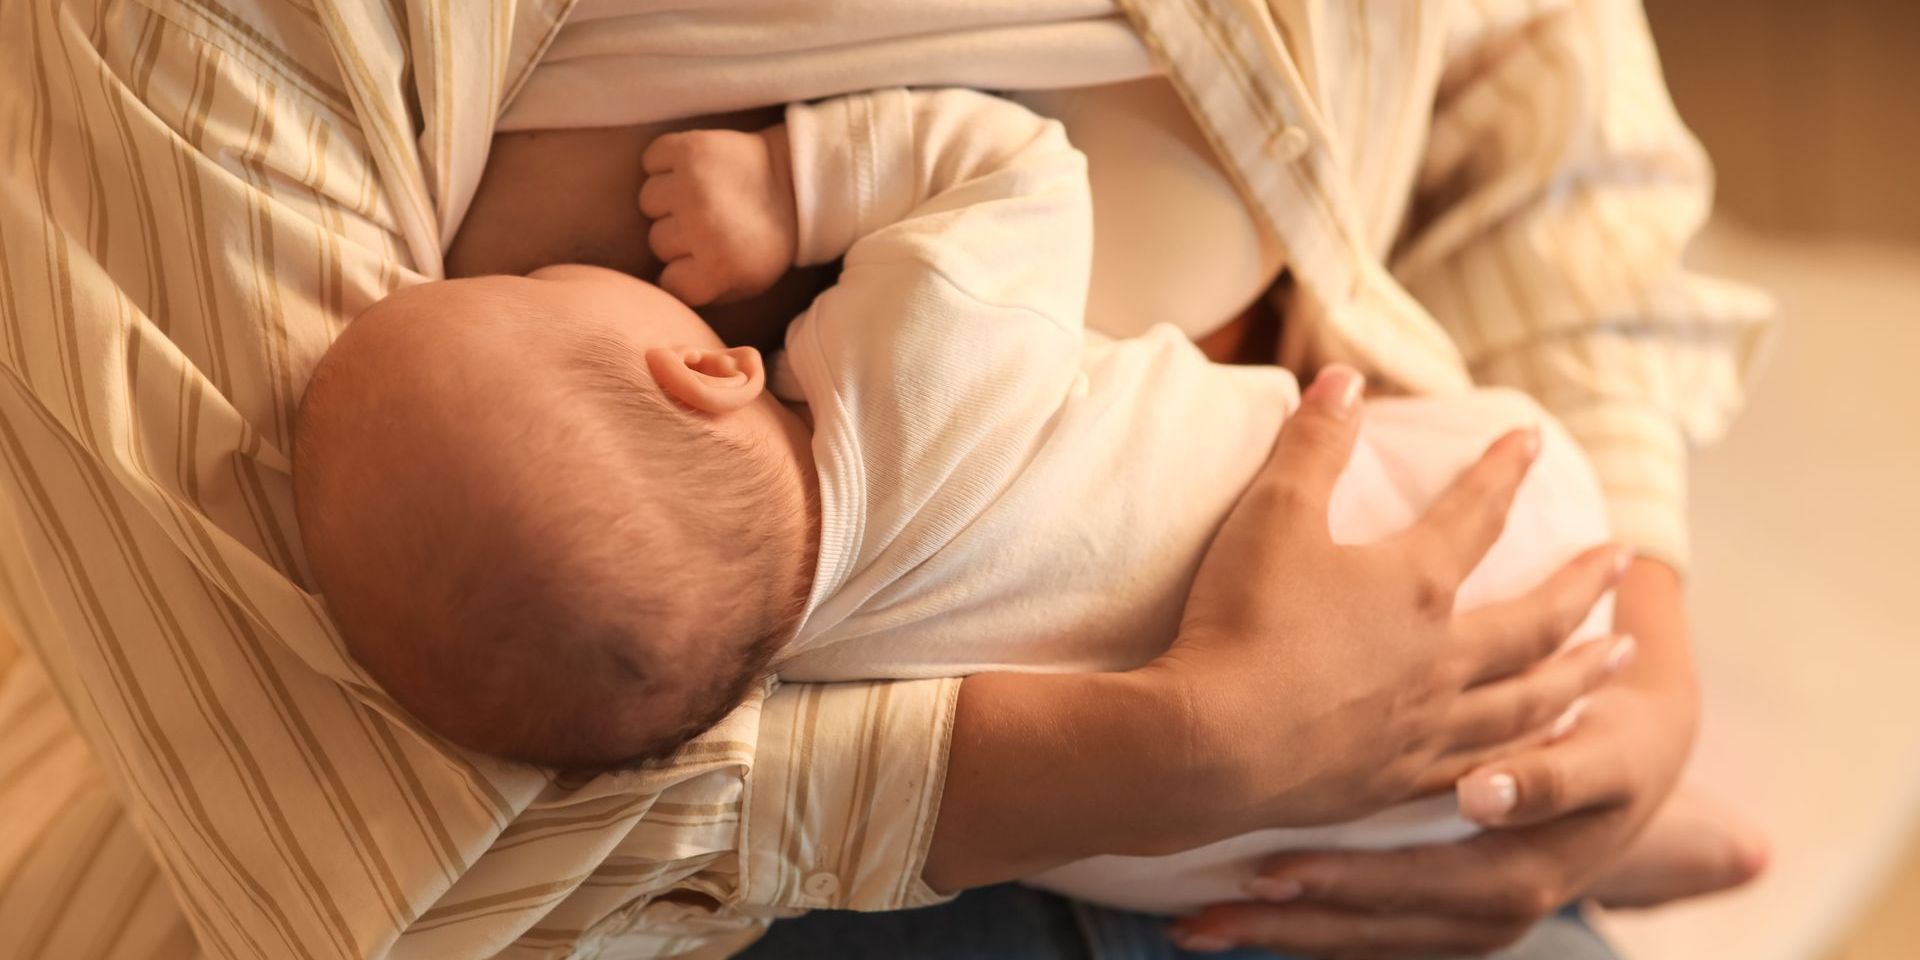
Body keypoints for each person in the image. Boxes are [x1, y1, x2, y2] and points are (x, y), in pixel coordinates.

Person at [0, 2, 1768, 958]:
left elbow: (1539, 88)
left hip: (1306, 719)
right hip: (662, 897)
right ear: (719, 363)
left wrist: (1652, 672)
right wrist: (1179, 754)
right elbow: (355, 810)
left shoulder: (829, 525)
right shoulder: (904, 370)